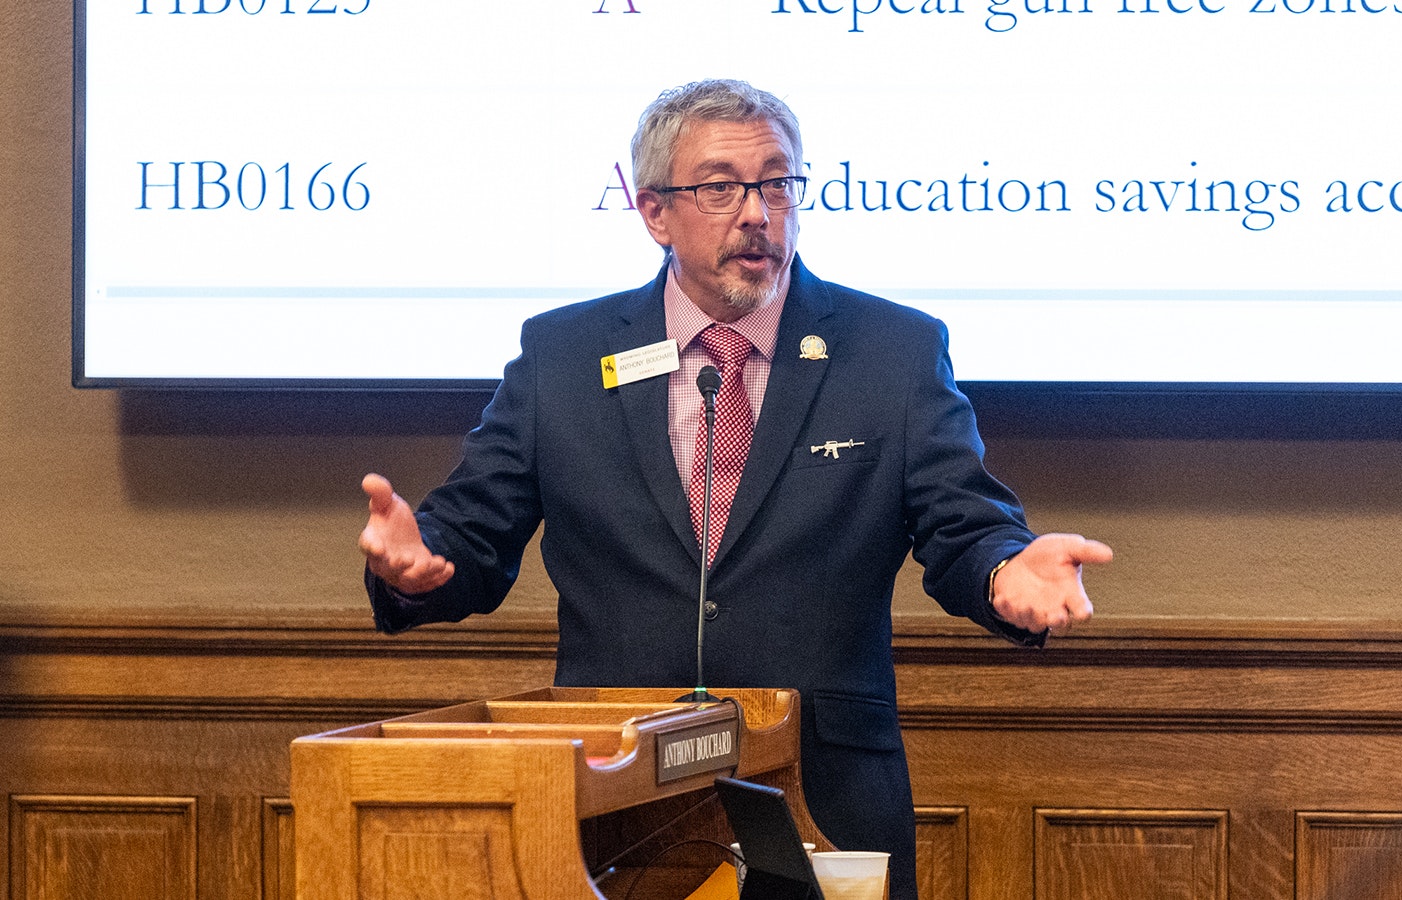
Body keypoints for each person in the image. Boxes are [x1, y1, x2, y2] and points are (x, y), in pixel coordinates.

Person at [358, 78, 1111, 900]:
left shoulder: (890, 350)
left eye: (777, 183)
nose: (757, 212)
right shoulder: (563, 356)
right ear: (654, 213)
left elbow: (964, 526)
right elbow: (470, 536)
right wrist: (417, 562)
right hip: (615, 810)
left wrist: (1007, 571)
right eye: (719, 187)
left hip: (822, 799)